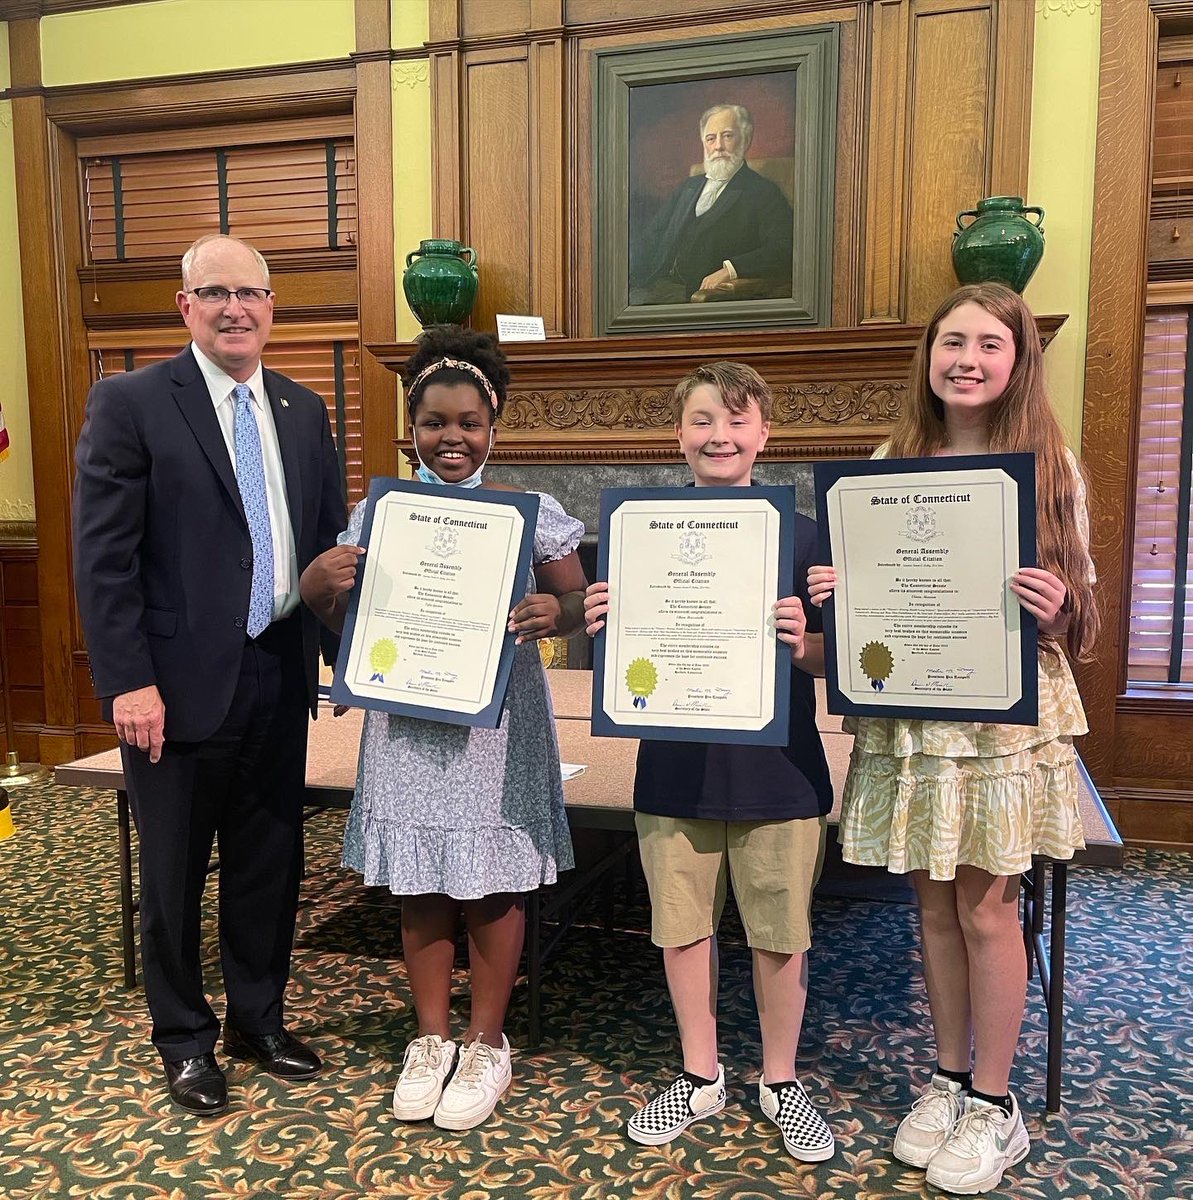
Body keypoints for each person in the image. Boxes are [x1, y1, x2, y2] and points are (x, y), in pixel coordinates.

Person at [808, 282, 1098, 1195]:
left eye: (987, 344)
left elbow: (1086, 619)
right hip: (915, 714)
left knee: (985, 908)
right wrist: (838, 594)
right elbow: (875, 605)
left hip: (1002, 724)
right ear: (926, 356)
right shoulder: (890, 459)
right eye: (950, 342)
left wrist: (1057, 610)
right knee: (930, 906)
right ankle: (944, 1076)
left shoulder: (1051, 466)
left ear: (1017, 361)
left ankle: (993, 1102)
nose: (965, 359)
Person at [72, 234, 348, 1116]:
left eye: (253, 293)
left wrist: (352, 663)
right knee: (174, 871)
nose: (237, 309)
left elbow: (330, 551)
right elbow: (102, 559)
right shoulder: (132, 402)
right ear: (184, 306)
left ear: (273, 307)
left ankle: (256, 1021)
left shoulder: (305, 411)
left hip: (277, 670)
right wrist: (126, 681)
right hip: (173, 685)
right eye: (215, 292)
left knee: (271, 859)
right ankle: (184, 1038)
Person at [300, 326, 587, 1131]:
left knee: (491, 882)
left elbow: (577, 601)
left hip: (497, 720)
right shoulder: (377, 512)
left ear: (494, 428)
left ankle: (487, 1041)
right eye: (434, 423)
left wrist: (550, 610)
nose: (450, 438)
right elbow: (341, 616)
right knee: (421, 881)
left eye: (468, 423)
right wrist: (319, 587)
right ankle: (430, 1039)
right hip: (409, 715)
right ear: (412, 427)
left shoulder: (534, 515)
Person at [583, 362, 836, 1164]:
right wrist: (602, 623)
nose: (718, 436)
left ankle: (780, 1079)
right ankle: (698, 1075)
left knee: (779, 933)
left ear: (764, 433)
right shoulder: (638, 531)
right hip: (676, 767)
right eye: (701, 420)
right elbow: (618, 668)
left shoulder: (804, 537)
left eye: (736, 420)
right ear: (678, 435)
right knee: (682, 929)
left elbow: (839, 664)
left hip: (780, 772)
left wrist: (804, 643)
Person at [629, 103, 795, 305]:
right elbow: (651, 238)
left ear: (746, 139)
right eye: (711, 138)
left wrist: (731, 269)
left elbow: (784, 247)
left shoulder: (762, 192)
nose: (718, 146)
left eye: (727, 136)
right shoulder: (688, 188)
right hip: (651, 286)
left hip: (699, 296)